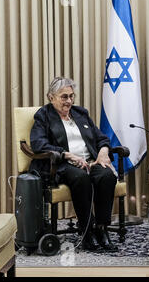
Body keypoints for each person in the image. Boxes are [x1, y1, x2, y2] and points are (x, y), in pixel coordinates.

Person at [30, 77, 118, 252]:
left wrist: (103, 151)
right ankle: (86, 231)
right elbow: (38, 144)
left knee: (107, 175)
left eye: (71, 96)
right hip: (62, 166)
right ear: (51, 97)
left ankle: (101, 228)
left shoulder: (80, 113)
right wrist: (66, 154)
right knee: (81, 178)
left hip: (90, 162)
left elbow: (101, 138)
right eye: (64, 97)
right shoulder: (44, 115)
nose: (69, 101)